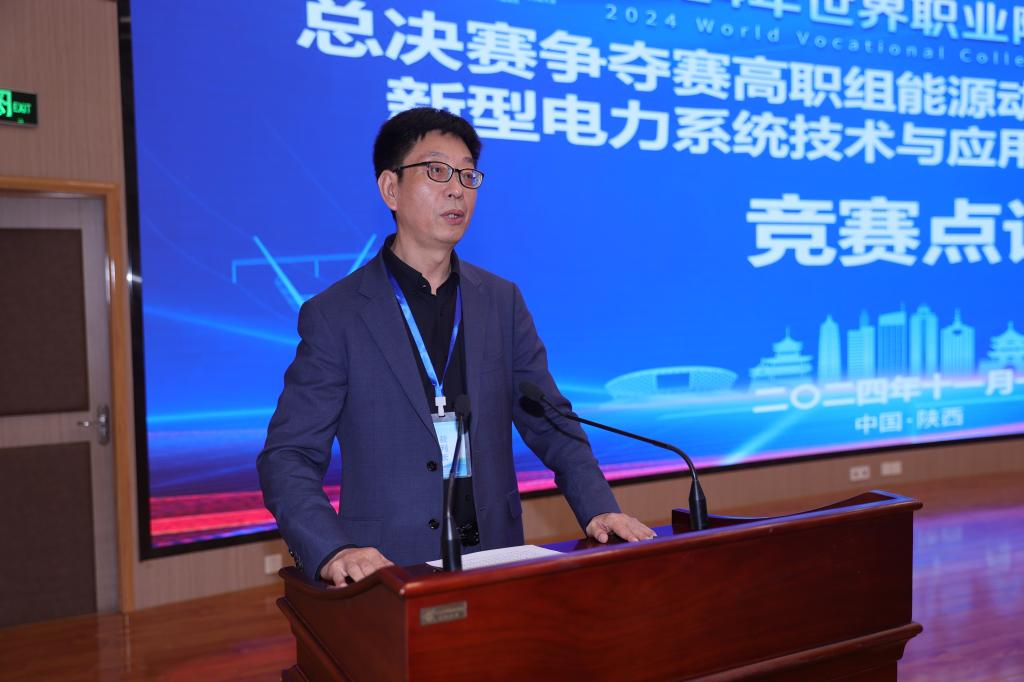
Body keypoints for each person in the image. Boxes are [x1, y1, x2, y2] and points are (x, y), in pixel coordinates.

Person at [258, 107, 653, 587]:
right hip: (387, 572)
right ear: (390, 188)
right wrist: (333, 549)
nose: (457, 189)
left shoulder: (501, 301)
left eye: (468, 175)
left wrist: (598, 508)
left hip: (495, 559)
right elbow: (288, 456)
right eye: (437, 171)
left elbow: (552, 421)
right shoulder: (336, 315)